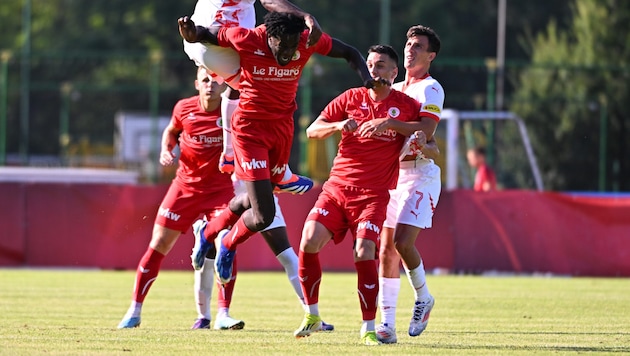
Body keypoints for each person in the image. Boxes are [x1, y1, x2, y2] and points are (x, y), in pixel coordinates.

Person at [117, 67, 333, 331]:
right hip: (185, 189)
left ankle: (222, 313)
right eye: (205, 80)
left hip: (223, 191)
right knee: (159, 244)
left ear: (226, 85)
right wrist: (166, 149)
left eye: (216, 80)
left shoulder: (237, 111)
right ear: (196, 83)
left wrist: (269, 176)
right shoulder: (184, 108)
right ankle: (135, 311)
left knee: (226, 246)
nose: (210, 85)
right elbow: (172, 130)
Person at [178, 12, 381, 286]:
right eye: (281, 46)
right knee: (265, 215)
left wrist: (366, 79)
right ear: (268, 36)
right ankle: (226, 241)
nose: (287, 53)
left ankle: (209, 232)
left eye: (292, 46)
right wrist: (194, 34)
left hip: (282, 131)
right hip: (250, 131)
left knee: (255, 199)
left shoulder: (307, 41)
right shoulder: (246, 37)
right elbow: (210, 34)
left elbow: (350, 52)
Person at [294, 44, 436, 346]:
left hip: (373, 196)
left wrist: (421, 142)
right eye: (370, 65)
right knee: (308, 240)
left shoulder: (406, 105)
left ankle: (370, 327)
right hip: (336, 188)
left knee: (365, 252)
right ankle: (313, 314)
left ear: (394, 72)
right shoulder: (350, 98)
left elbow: (431, 142)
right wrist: (337, 125)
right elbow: (311, 130)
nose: (374, 70)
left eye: (381, 65)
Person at [182, 0, 321, 187]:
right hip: (213, 40)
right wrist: (305, 16)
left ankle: (230, 155)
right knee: (271, 90)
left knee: (241, 88)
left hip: (206, 37)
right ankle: (278, 172)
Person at [375, 25, 444, 344]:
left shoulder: (431, 88)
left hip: (420, 176)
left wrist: (391, 123)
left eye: (418, 46)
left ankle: (424, 298)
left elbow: (428, 131)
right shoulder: (395, 87)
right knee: (386, 249)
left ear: (430, 56)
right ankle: (386, 324)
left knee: (403, 242)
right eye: (408, 43)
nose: (410, 49)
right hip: (394, 176)